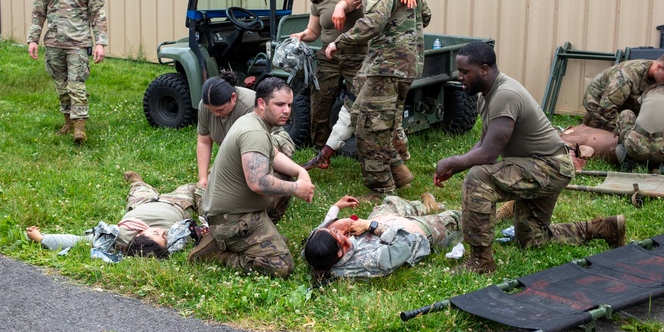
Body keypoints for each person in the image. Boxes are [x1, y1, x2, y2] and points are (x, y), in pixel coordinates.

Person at [434, 42, 626, 274]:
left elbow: (488, 154)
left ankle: (480, 262)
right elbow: (485, 144)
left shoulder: (505, 94)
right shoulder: (486, 95)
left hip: (550, 167)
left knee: (478, 179)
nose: (460, 77)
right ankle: (602, 229)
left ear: (484, 69)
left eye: (465, 71)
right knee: (532, 239)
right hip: (539, 165)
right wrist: (456, 166)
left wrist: (452, 162)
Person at [324, 0, 431, 199]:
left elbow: (372, 22)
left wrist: (340, 42)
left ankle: (381, 190)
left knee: (369, 128)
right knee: (375, 119)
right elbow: (425, 16)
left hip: (386, 66)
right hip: (407, 64)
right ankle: (397, 169)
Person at [292, 0, 426, 153]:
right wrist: (303, 36)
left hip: (357, 56)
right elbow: (314, 31)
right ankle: (320, 149)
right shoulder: (319, 2)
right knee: (320, 104)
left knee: (358, 103)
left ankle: (360, 147)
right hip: (329, 58)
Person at [188, 77, 314, 278]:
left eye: (289, 105)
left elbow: (274, 155)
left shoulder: (252, 122)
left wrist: (300, 172)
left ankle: (258, 235)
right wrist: (297, 188)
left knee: (285, 175)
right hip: (232, 222)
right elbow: (258, 183)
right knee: (281, 265)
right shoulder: (254, 131)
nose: (287, 110)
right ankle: (217, 253)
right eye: (280, 104)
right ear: (262, 103)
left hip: (235, 213)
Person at [27, 0, 108, 144]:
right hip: (54, 42)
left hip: (78, 43)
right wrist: (33, 40)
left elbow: (98, 13)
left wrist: (100, 42)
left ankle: (79, 127)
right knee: (61, 87)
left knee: (76, 85)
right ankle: (68, 121)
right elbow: (38, 12)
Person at [27, 171, 201, 259]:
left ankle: (137, 181)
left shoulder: (117, 239)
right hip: (176, 204)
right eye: (163, 236)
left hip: (140, 204)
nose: (163, 233)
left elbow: (74, 240)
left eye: (156, 234)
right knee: (193, 188)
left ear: (140, 235)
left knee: (139, 190)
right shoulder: (174, 242)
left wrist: (41, 238)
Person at [196, 70, 296, 222]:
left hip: (273, 141)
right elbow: (204, 141)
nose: (215, 115)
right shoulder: (206, 105)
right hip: (242, 150)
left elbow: (265, 148)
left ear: (233, 98)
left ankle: (265, 217)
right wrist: (203, 178)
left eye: (220, 110)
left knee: (255, 177)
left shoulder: (250, 106)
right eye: (212, 111)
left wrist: (297, 172)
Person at [303, 191, 460, 281]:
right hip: (412, 232)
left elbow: (317, 233)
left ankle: (426, 207)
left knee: (391, 201)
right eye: (336, 234)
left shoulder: (316, 254)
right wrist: (370, 226)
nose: (335, 229)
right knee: (455, 218)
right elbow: (407, 243)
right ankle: (435, 214)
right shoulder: (372, 260)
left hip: (377, 224)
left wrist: (335, 207)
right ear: (339, 252)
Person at [581, 52, 664, 132]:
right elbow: (606, 109)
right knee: (626, 141)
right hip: (599, 108)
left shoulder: (654, 74)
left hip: (623, 104)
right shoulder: (626, 77)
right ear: (658, 67)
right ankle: (592, 125)